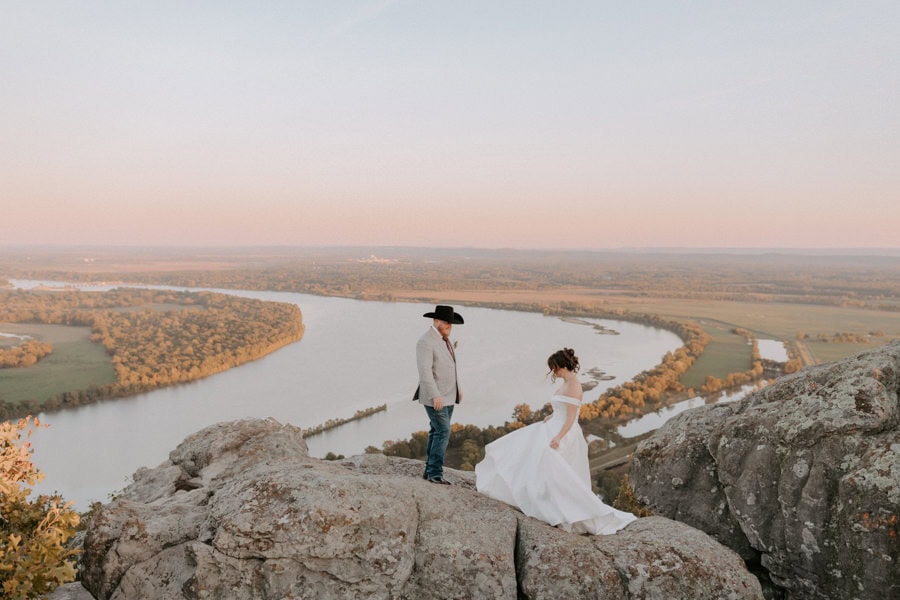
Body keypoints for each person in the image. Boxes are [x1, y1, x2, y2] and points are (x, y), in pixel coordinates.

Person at [475, 348, 637, 534]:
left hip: (565, 432)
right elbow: (563, 407)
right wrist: (551, 416)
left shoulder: (575, 385)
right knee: (526, 451)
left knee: (551, 465)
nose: (553, 372)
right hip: (555, 425)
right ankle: (540, 501)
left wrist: (558, 438)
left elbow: (571, 418)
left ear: (562, 366)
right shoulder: (566, 382)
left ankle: (559, 509)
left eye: (554, 368)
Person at [414, 304, 464, 485]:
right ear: (436, 321)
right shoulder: (425, 342)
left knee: (436, 431)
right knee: (443, 431)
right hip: (435, 397)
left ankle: (429, 470)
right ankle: (435, 473)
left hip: (449, 395)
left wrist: (458, 389)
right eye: (446, 322)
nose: (449, 326)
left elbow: (450, 367)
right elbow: (425, 372)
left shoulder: (445, 339)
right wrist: (435, 395)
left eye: (451, 323)